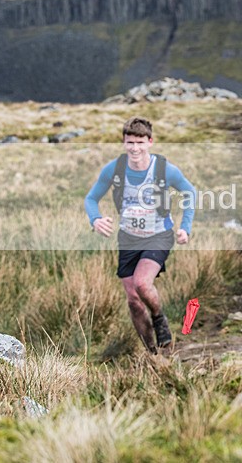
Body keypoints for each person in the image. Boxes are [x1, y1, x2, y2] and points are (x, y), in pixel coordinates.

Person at [85, 117, 196, 354]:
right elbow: (91, 198)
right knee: (134, 301)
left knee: (142, 284)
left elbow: (190, 192)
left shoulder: (165, 169)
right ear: (124, 143)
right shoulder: (115, 169)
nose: (135, 148)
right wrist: (95, 220)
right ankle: (152, 354)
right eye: (130, 143)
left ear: (150, 142)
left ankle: (158, 317)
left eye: (140, 143)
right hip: (128, 238)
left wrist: (185, 227)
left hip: (158, 235)